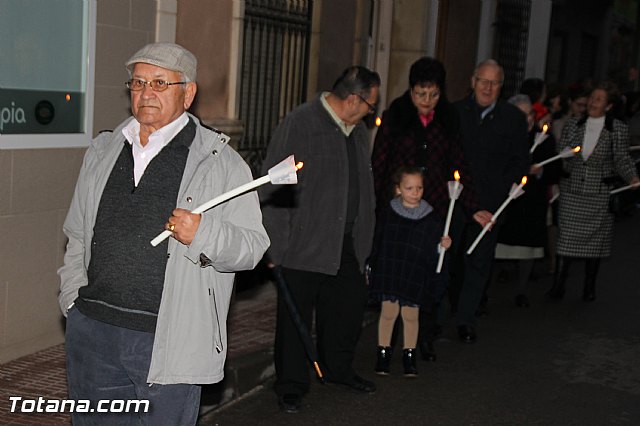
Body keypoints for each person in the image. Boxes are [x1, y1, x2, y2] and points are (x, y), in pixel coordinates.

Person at [58, 42, 270, 425]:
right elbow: (76, 232)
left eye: (160, 83)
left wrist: (203, 233)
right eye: (138, 83)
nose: (146, 93)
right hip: (94, 334)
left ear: (187, 93)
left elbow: (253, 247)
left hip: (168, 339)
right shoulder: (103, 150)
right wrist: (73, 304)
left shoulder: (221, 163)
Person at [259, 66, 380, 413]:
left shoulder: (357, 131)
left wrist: (366, 237)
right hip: (303, 244)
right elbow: (273, 184)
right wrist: (275, 247)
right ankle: (291, 385)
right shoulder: (301, 123)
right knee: (295, 317)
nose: (373, 112)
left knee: (346, 309)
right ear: (354, 100)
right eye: (371, 105)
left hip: (348, 241)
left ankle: (338, 370)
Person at [370, 56, 490, 359]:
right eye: (421, 94)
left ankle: (424, 335)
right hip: (398, 212)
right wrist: (376, 209)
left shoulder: (449, 120)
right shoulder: (395, 117)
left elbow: (459, 166)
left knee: (431, 272)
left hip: (433, 210)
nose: (427, 101)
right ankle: (390, 338)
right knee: (398, 274)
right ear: (410, 91)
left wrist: (473, 206)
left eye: (433, 94)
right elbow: (380, 165)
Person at [450, 59, 529, 343]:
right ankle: (435, 316)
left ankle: (465, 320)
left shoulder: (513, 119)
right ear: (472, 81)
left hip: (491, 206)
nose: (488, 87)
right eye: (483, 80)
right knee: (446, 259)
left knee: (479, 264)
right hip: (455, 203)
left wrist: (500, 195)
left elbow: (521, 162)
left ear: (501, 87)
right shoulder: (454, 113)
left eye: (494, 83)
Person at [546, 81, 639, 301]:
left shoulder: (617, 129)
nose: (592, 103)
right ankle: (558, 285)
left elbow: (622, 159)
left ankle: (589, 287)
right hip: (572, 191)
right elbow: (561, 152)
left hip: (598, 193)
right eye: (592, 98)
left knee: (595, 244)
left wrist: (632, 176)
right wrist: (566, 155)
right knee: (565, 239)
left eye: (598, 99)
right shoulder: (573, 124)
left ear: (608, 106)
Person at [368, 166, 451, 377]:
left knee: (411, 316)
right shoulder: (388, 212)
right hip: (391, 270)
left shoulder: (430, 218)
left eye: (419, 188)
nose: (415, 193)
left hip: (414, 273)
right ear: (398, 189)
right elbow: (379, 241)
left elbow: (433, 248)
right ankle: (383, 354)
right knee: (388, 314)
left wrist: (442, 246)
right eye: (409, 188)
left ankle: (409, 356)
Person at [493, 95, 562, 308]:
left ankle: (521, 290)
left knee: (527, 247)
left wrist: (540, 171)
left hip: (531, 203)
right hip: (506, 201)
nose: (528, 119)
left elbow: (555, 170)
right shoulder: (501, 136)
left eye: (530, 114)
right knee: (496, 247)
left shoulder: (544, 139)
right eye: (522, 115)